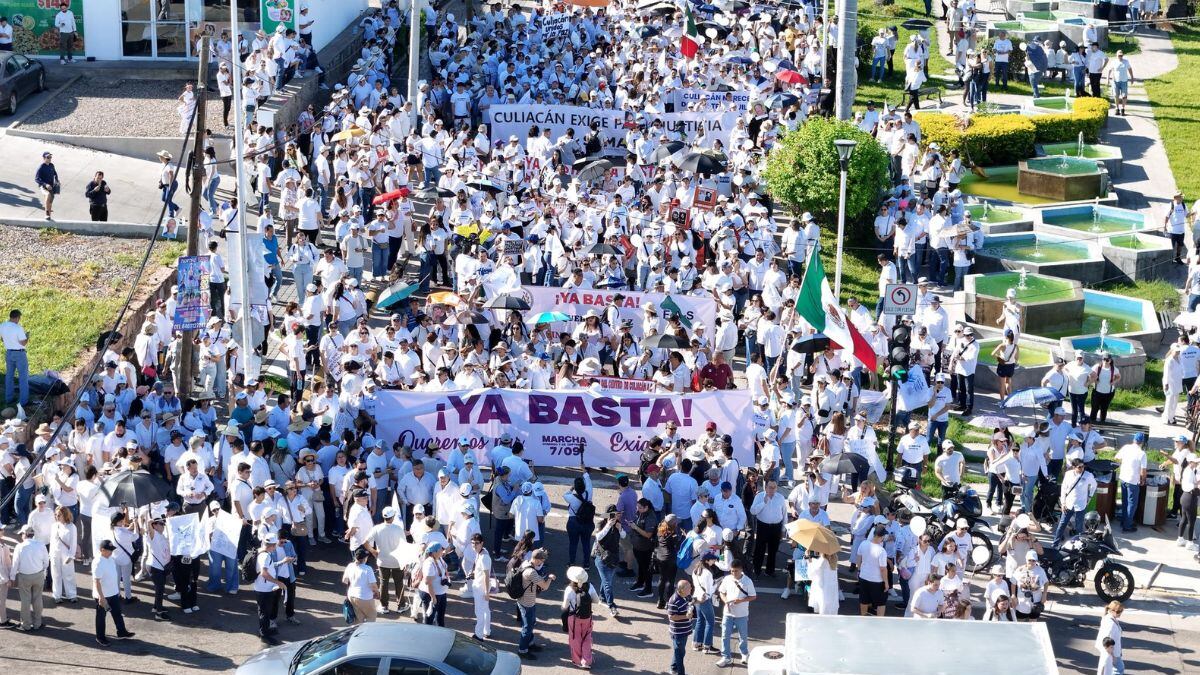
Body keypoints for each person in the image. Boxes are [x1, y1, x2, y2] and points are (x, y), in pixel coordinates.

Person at [92, 539, 134, 646]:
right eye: (109, 550)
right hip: (103, 596)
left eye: (112, 549)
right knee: (101, 618)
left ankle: (121, 632)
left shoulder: (110, 559)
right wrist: (101, 597)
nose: (111, 552)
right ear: (102, 550)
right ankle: (100, 637)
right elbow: (96, 581)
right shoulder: (98, 562)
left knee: (117, 614)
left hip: (113, 593)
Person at [715, 559, 756, 667]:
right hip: (728, 613)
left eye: (736, 571)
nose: (733, 573)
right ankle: (726, 657)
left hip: (742, 614)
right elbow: (722, 592)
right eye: (732, 571)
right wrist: (725, 601)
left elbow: (753, 596)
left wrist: (741, 601)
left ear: (741, 570)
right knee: (725, 636)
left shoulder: (747, 581)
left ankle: (744, 653)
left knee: (743, 636)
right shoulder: (727, 579)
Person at [516, 548, 555, 660]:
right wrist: (550, 578)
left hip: (525, 600)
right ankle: (522, 650)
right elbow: (545, 586)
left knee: (530, 623)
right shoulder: (531, 572)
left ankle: (530, 643)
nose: (542, 563)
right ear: (537, 560)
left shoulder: (525, 563)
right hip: (527, 602)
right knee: (527, 627)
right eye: (542, 560)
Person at [561, 566, 600, 669]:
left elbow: (565, 606)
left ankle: (577, 660)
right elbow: (596, 600)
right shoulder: (590, 586)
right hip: (587, 616)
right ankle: (587, 661)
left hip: (574, 618)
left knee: (575, 638)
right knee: (587, 637)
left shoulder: (569, 589)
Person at [11, 525, 47, 632]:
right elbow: (46, 562)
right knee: (38, 598)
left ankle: (26, 625)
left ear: (25, 535)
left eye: (22, 534)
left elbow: (15, 565)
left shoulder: (19, 547)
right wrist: (42, 572)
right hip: (38, 575)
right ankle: (37, 623)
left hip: (24, 577)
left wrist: (12, 577)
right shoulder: (41, 545)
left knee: (25, 601)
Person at [1054, 458, 1097, 547]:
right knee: (1062, 525)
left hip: (1080, 505)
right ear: (1074, 467)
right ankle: (1055, 544)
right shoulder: (1068, 474)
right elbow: (1063, 489)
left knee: (1079, 527)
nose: (1082, 469)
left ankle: (1078, 545)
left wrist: (1090, 496)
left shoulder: (1088, 475)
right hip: (1068, 504)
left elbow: (1094, 485)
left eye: (1083, 466)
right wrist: (1063, 503)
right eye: (1079, 467)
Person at [254, 533, 286, 643]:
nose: (276, 547)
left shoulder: (261, 551)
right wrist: (277, 582)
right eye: (275, 545)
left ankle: (265, 630)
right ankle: (264, 635)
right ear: (271, 545)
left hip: (263, 587)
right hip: (263, 589)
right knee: (264, 612)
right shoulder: (265, 556)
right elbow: (264, 573)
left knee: (265, 611)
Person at [1115, 433, 1149, 532]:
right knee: (1132, 504)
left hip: (1123, 478)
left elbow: (1117, 457)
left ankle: (1124, 521)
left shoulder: (1126, 447)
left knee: (1125, 502)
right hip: (1133, 481)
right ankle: (1127, 526)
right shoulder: (1142, 454)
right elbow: (1143, 471)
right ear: (1142, 442)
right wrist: (1143, 480)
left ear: (1134, 439)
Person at [856, 524, 890, 617]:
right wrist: (886, 583)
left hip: (863, 577)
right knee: (881, 603)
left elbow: (858, 558)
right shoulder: (881, 551)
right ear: (882, 537)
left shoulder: (863, 543)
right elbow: (883, 569)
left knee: (864, 600)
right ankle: (880, 621)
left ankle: (863, 617)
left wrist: (859, 570)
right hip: (877, 581)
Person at [342, 546, 378, 625]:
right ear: (365, 559)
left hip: (352, 595)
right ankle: (367, 634)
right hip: (365, 597)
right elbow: (373, 586)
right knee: (371, 616)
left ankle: (357, 633)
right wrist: (377, 593)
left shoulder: (350, 566)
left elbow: (344, 580)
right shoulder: (368, 569)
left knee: (359, 617)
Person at [1, 308, 29, 409]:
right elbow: (23, 342)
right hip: (19, 354)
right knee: (23, 377)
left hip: (9, 353)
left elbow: (2, 338)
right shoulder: (18, 328)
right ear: (17, 317)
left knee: (9, 376)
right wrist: (27, 337)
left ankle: (9, 398)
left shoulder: (2, 325)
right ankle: (24, 401)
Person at [666, 578, 695, 675]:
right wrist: (686, 616)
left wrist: (698, 601)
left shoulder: (686, 596)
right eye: (689, 587)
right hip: (678, 632)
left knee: (680, 652)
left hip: (685, 629)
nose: (691, 589)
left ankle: (673, 668)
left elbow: (692, 601)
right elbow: (672, 617)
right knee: (680, 654)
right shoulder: (674, 600)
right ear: (682, 589)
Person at [467, 533, 493, 640]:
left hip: (481, 588)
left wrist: (487, 592)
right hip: (480, 586)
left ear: (482, 543)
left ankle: (478, 635)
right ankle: (487, 631)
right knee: (485, 610)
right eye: (472, 543)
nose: (474, 545)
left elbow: (487, 575)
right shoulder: (481, 552)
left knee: (479, 612)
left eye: (476, 543)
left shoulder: (483, 557)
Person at [419, 541, 449, 626]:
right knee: (429, 619)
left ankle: (440, 635)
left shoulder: (439, 558)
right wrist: (433, 598)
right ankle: (427, 637)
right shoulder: (429, 563)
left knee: (440, 618)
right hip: (431, 594)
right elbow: (428, 582)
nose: (442, 551)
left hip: (441, 593)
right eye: (440, 550)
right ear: (434, 552)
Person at [1095, 601, 1125, 674]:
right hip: (1112, 652)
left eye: (1121, 611)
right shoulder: (1110, 623)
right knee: (1119, 669)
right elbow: (1108, 640)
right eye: (1119, 611)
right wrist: (1113, 656)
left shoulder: (1108, 617)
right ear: (1112, 611)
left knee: (1115, 669)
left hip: (1112, 651)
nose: (1120, 613)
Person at [34, 151, 59, 220]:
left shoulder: (51, 165)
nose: (49, 158)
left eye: (50, 157)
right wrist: (45, 184)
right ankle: (46, 213)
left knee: (50, 200)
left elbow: (55, 173)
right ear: (44, 158)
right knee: (48, 195)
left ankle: (49, 217)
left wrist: (57, 180)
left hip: (51, 187)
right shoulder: (41, 167)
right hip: (43, 186)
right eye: (48, 157)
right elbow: (37, 179)